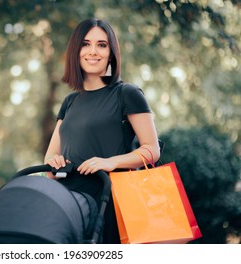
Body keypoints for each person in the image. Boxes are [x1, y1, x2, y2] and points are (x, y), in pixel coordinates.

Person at [44, 18, 160, 243]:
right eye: (85, 44)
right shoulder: (69, 102)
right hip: (69, 207)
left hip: (109, 204)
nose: (93, 51)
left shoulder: (127, 94)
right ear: (76, 51)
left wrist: (111, 162)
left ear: (111, 53)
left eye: (102, 45)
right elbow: (49, 159)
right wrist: (54, 163)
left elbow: (152, 150)